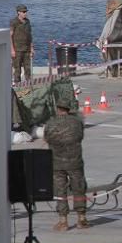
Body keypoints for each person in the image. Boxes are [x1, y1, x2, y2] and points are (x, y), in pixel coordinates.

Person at [44, 94, 89, 230]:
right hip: (75, 161)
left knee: (60, 190)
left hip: (57, 162)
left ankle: (63, 220)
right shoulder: (77, 122)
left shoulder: (51, 123)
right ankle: (82, 218)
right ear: (68, 109)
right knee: (79, 187)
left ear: (57, 108)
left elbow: (47, 138)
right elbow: (80, 136)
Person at [9, 4, 34, 84]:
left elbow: (29, 35)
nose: (25, 13)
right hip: (17, 49)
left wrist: (32, 48)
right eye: (23, 12)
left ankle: (28, 83)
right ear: (18, 12)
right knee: (17, 68)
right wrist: (12, 50)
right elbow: (10, 36)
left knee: (28, 68)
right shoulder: (14, 22)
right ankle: (17, 84)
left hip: (26, 49)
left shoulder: (27, 21)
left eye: (26, 11)